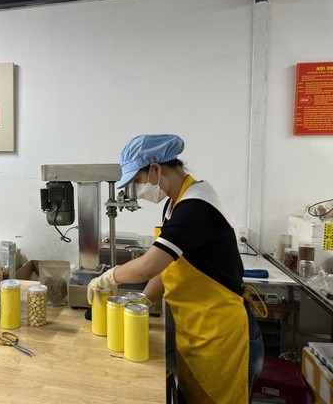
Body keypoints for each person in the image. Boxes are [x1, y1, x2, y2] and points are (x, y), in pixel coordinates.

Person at [87, 134, 264, 404]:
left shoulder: (196, 206)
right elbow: (169, 265)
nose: (138, 189)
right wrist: (145, 300)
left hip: (221, 334)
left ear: (155, 169)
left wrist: (109, 277)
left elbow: (148, 266)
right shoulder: (175, 204)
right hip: (196, 329)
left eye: (138, 180)